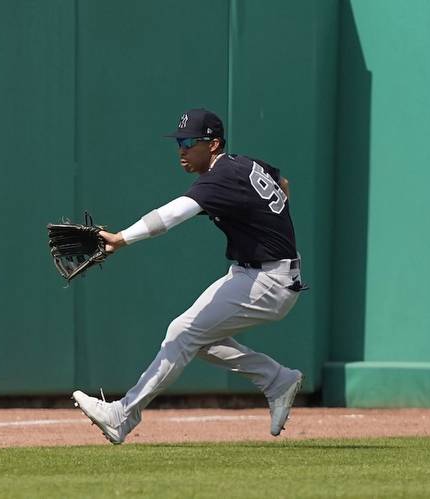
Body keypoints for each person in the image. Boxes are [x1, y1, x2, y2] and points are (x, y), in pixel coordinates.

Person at [72, 108, 307, 444]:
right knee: (196, 337)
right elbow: (282, 185)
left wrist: (121, 238)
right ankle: (277, 380)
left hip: (270, 281)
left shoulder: (221, 177)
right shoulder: (243, 164)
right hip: (259, 272)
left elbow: (171, 215)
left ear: (212, 144)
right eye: (178, 142)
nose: (181, 149)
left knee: (182, 332)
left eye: (188, 141)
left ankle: (123, 414)